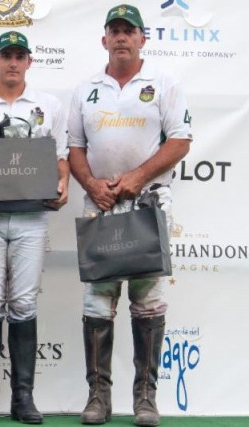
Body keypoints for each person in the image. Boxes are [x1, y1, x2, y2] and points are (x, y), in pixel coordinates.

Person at [67, 5, 192, 426]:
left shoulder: (164, 83)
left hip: (148, 202)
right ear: (104, 39)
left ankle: (145, 399)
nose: (121, 37)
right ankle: (98, 399)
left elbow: (180, 141)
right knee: (98, 300)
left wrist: (137, 178)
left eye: (129, 31)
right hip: (99, 202)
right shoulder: (86, 88)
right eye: (114, 30)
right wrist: (92, 185)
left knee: (148, 298)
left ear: (142, 39)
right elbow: (76, 148)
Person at [0, 31, 69, 424]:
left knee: (23, 303)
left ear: (29, 62)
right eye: (7, 56)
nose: (13, 63)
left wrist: (63, 184)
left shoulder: (49, 105)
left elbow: (60, 157)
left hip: (31, 218)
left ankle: (23, 398)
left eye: (20, 56)